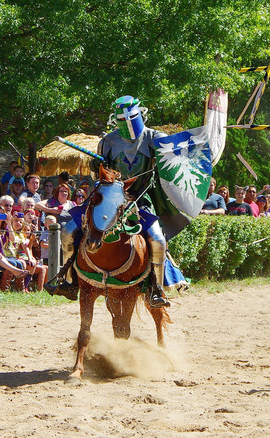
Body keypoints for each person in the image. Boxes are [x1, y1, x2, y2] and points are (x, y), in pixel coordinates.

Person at [46, 95, 187, 308]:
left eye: (133, 117)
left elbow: (174, 167)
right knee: (68, 232)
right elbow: (98, 178)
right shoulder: (108, 142)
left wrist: (165, 161)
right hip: (110, 198)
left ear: (141, 113)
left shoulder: (156, 138)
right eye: (124, 118)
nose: (129, 123)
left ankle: (156, 291)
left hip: (141, 199)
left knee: (157, 240)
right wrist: (97, 166)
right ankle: (70, 282)